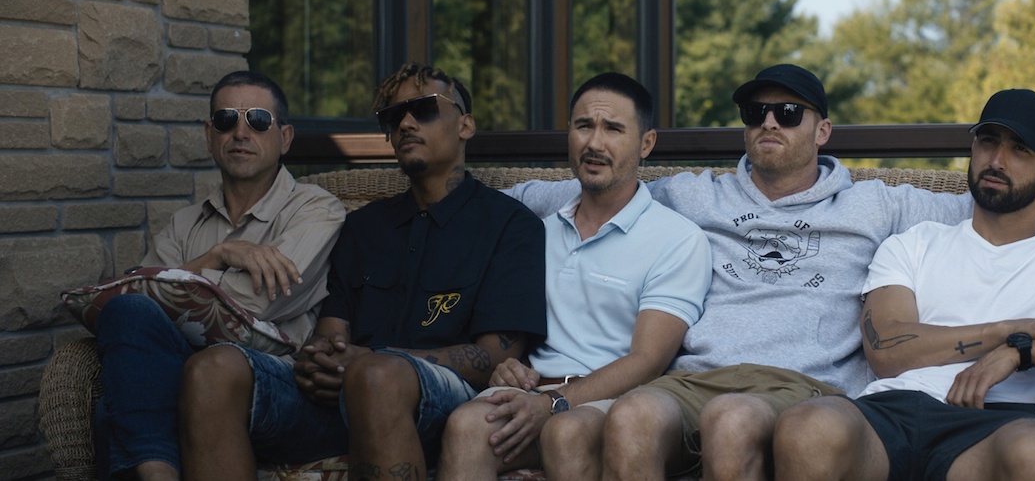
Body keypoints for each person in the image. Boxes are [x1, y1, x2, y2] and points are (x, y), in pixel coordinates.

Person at [505, 64, 1035, 480]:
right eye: (756, 114)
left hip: (804, 386)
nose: (770, 123)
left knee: (738, 421)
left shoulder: (881, 206)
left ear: (822, 130)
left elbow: (1010, 209)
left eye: (788, 113)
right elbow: (574, 191)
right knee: (620, 421)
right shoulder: (688, 195)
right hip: (708, 378)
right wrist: (472, 199)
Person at [179, 63, 547, 480]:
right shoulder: (362, 227)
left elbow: (497, 356)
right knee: (211, 369)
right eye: (394, 115)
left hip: (448, 406)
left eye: (424, 109)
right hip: (340, 399)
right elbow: (332, 331)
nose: (406, 123)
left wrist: (371, 361)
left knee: (376, 376)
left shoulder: (510, 225)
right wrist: (323, 360)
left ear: (466, 125)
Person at [772, 88, 1035, 480]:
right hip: (893, 413)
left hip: (1000, 423)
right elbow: (887, 350)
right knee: (807, 426)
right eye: (988, 141)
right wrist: (1010, 331)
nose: (997, 160)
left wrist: (1020, 352)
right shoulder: (914, 243)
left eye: (1020, 149)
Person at [437, 73, 711, 480]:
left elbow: (648, 360)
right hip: (532, 390)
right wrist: (511, 367)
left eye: (613, 129)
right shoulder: (535, 230)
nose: (594, 143)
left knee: (567, 432)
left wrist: (555, 402)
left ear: (646, 143)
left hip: (615, 401)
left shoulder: (677, 238)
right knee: (466, 425)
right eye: (584, 126)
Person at [91, 70, 346, 480]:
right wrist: (219, 255)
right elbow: (132, 297)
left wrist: (179, 286)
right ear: (210, 136)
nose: (241, 133)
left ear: (284, 137)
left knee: (119, 409)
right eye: (227, 120)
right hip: (183, 372)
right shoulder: (184, 224)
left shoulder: (316, 209)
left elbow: (258, 302)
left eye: (258, 120)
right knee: (126, 313)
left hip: (279, 383)